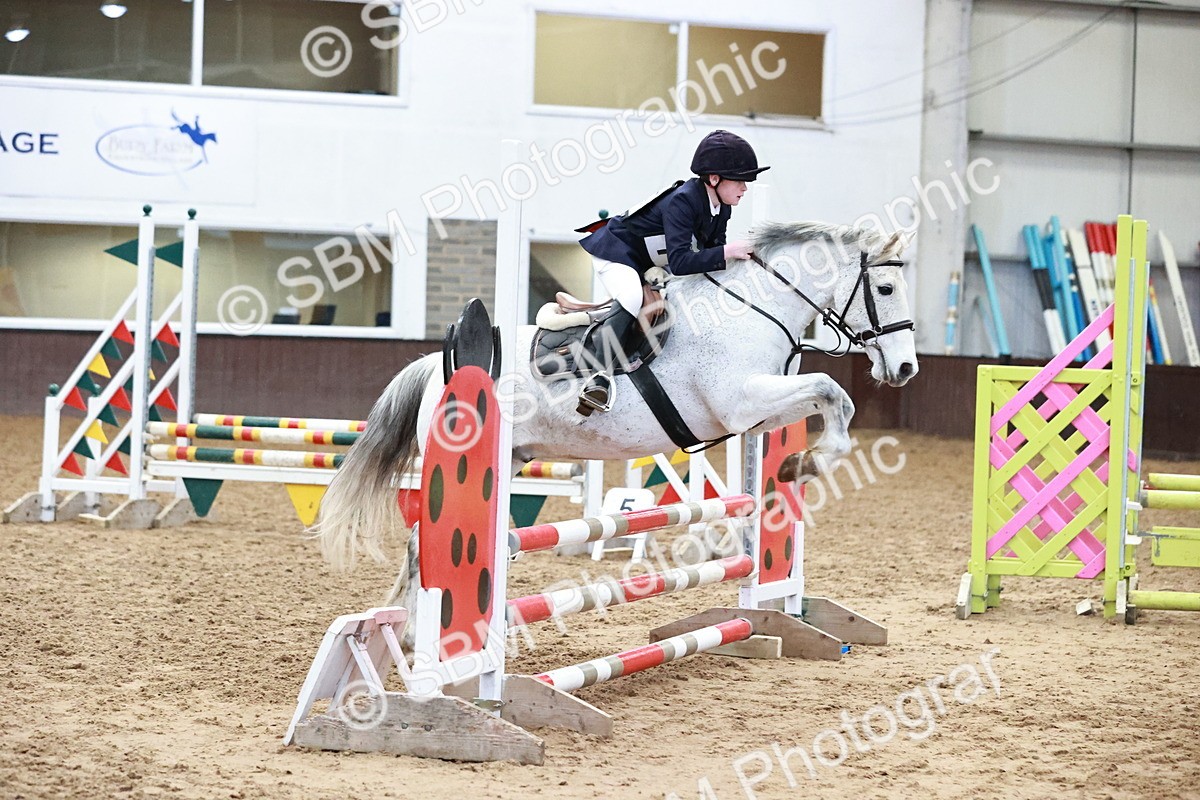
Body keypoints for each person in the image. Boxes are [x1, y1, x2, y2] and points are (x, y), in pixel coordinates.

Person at [575, 129, 770, 412]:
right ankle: (598, 378)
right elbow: (681, 262)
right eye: (740, 181)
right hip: (616, 252)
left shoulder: (721, 207)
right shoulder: (684, 200)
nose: (745, 188)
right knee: (631, 297)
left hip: (649, 264)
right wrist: (729, 252)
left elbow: (711, 260)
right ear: (714, 179)